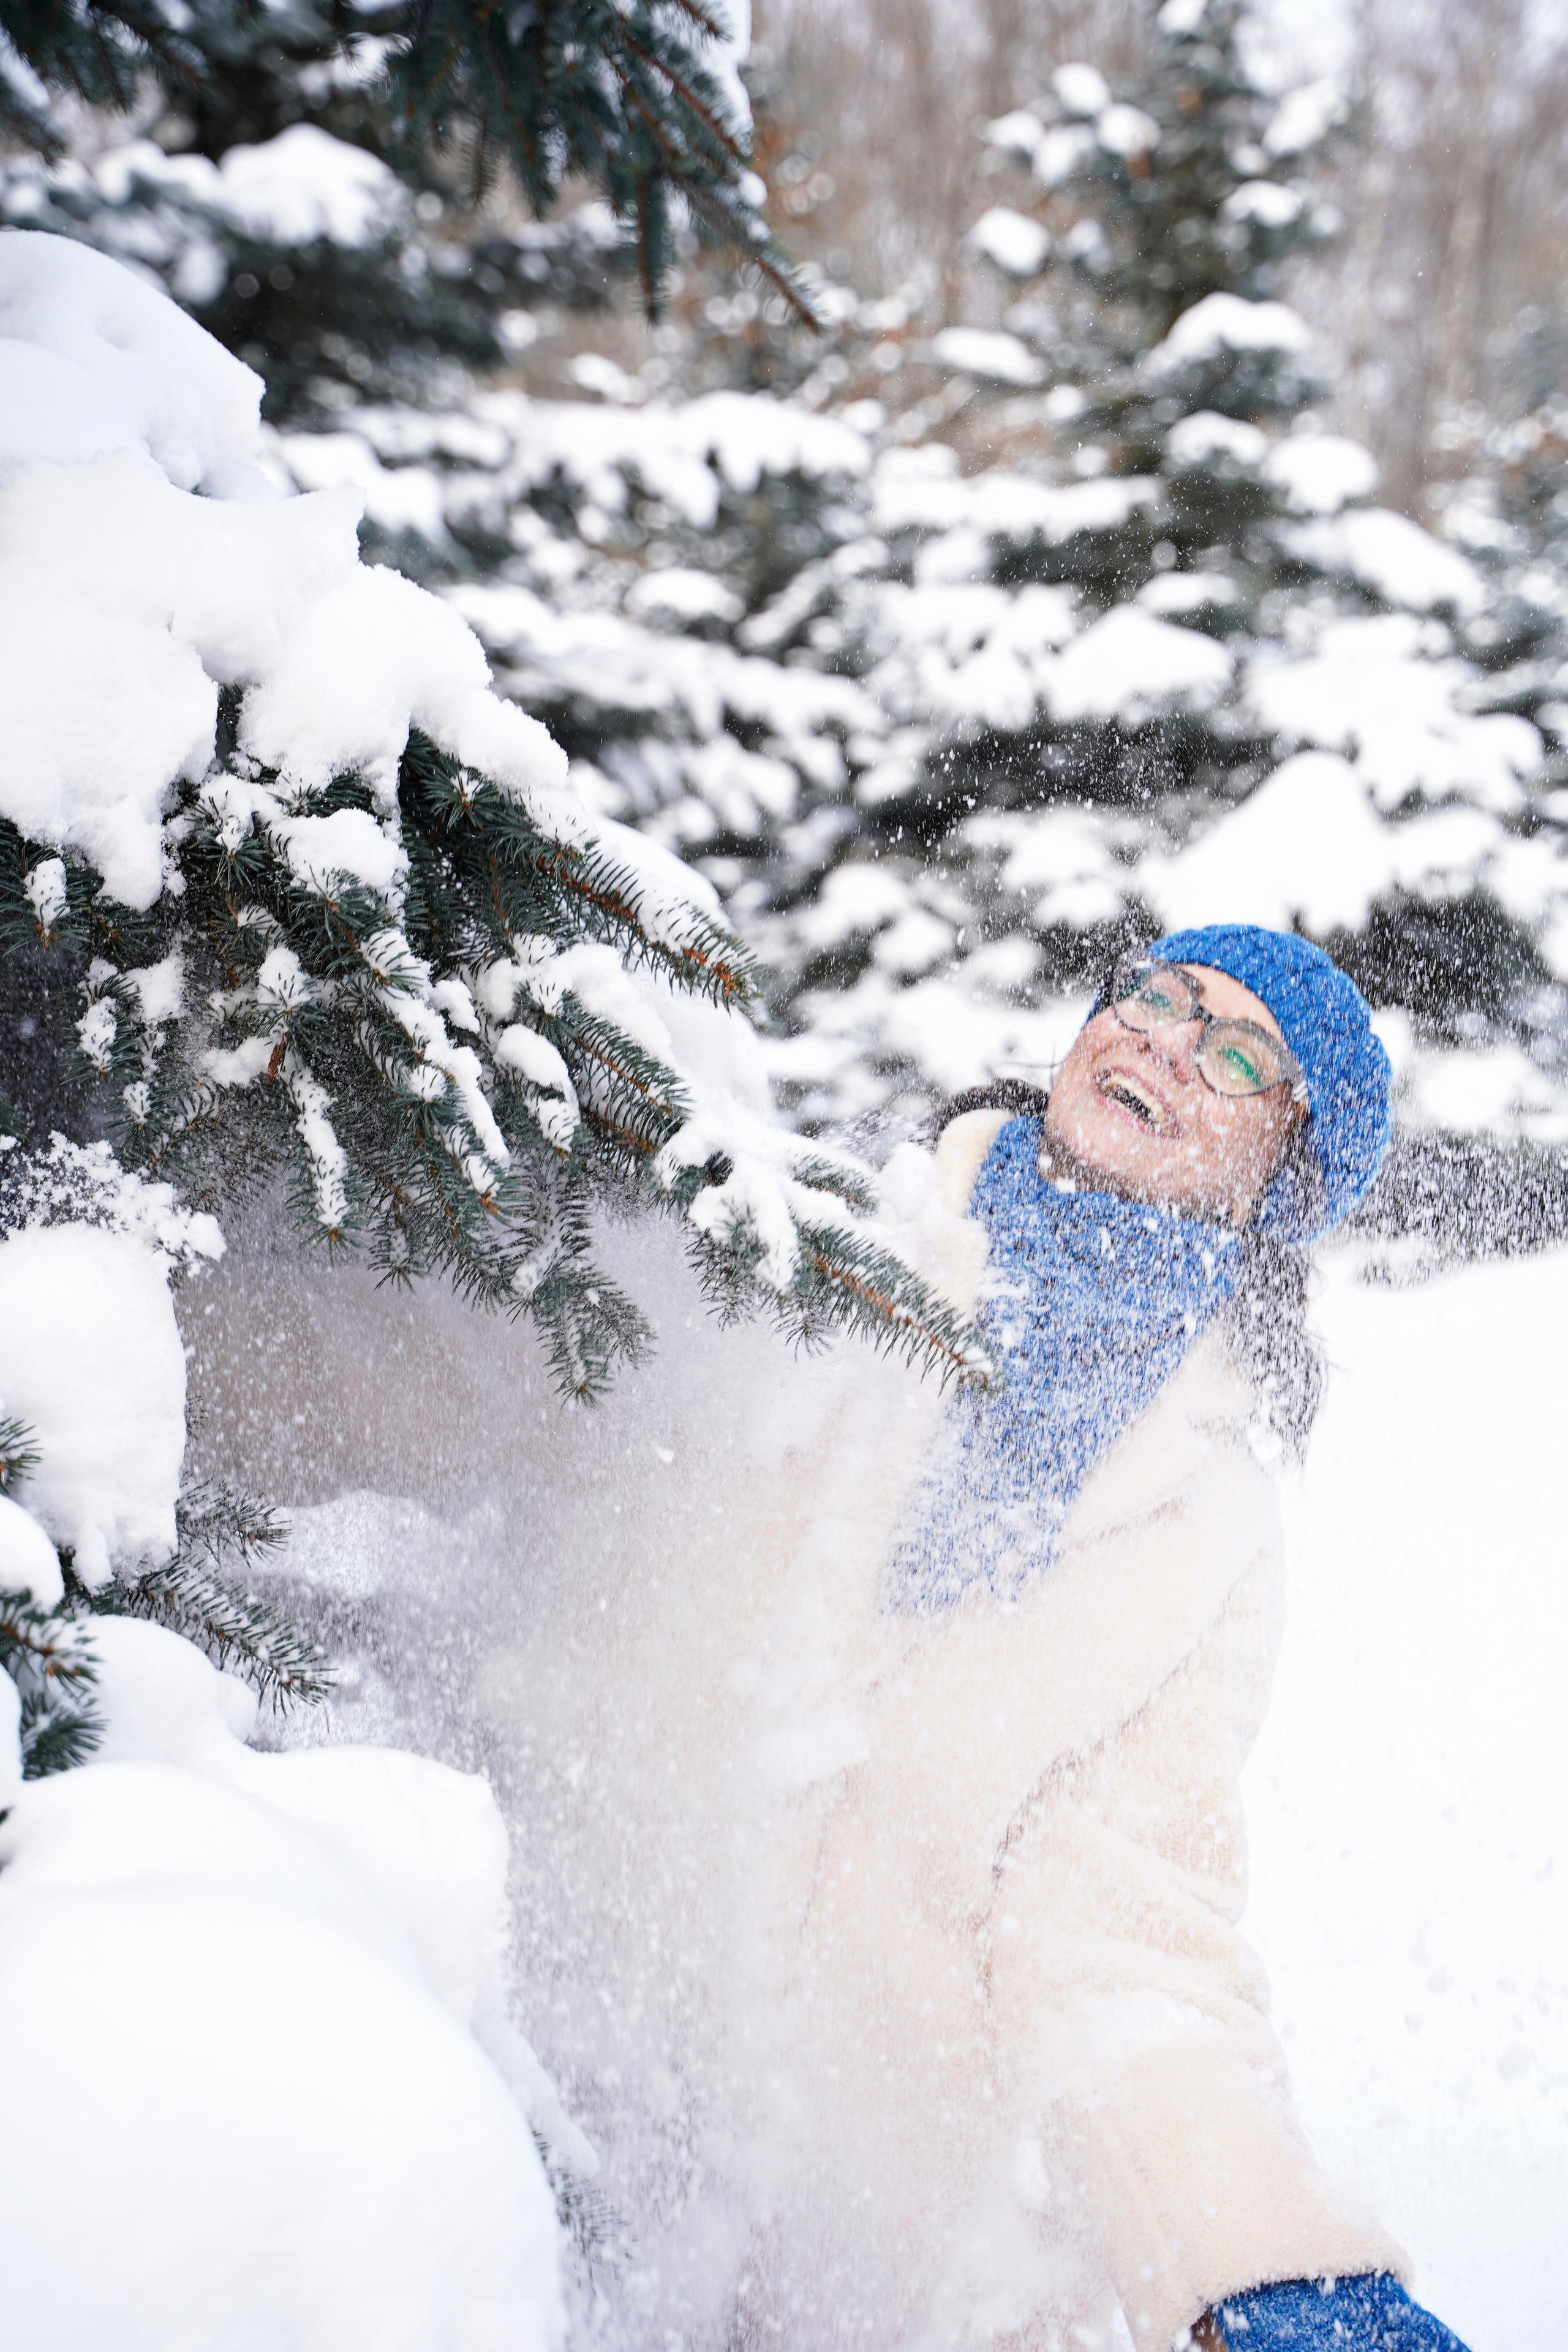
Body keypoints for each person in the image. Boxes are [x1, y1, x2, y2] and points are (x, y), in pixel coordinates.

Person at [766, 925, 1472, 2352]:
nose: (1158, 1038)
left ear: (1282, 1173)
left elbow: (1113, 1926)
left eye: (1230, 1057)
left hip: (812, 2207)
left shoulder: (1204, 1527)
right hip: (489, 2033)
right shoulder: (822, 1237)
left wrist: (1253, 2260)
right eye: (1155, 998)